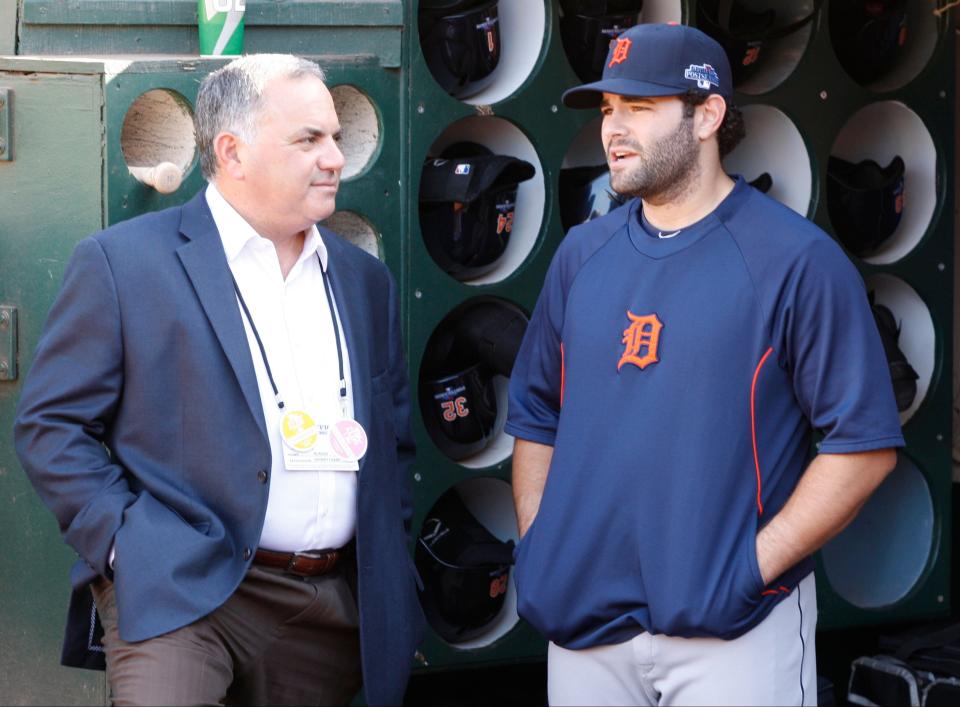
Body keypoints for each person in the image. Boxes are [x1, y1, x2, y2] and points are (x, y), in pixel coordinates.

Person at [506, 23, 903, 706]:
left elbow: (863, 447)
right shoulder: (581, 254)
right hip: (586, 626)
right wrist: (544, 544)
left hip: (735, 631)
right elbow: (536, 412)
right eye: (608, 110)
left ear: (708, 116)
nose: (614, 130)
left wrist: (750, 568)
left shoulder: (794, 261)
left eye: (640, 108)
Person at [14, 54, 422, 706]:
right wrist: (123, 544)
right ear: (232, 152)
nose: (335, 158)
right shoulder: (125, 263)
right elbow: (50, 426)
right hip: (182, 583)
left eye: (336, 138)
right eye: (308, 139)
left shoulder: (362, 279)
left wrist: (386, 561)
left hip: (328, 604)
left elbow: (394, 440)